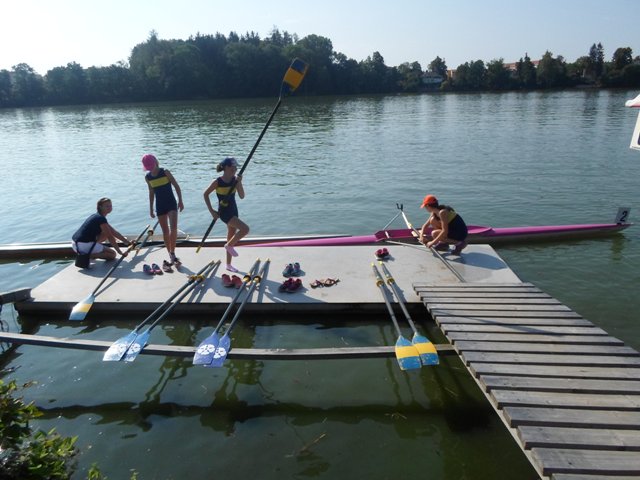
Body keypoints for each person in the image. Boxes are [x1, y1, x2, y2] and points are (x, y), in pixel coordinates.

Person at [203, 157, 250, 272]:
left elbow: (242, 196)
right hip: (224, 213)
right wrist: (212, 211)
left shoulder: (235, 180)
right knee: (245, 229)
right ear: (226, 168)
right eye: (232, 167)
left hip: (234, 211)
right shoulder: (217, 182)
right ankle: (228, 246)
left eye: (236, 168)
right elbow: (205, 194)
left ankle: (228, 265)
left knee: (231, 236)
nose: (235, 169)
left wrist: (239, 182)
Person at [142, 154, 184, 266]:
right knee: (165, 232)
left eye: (152, 166)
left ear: (156, 162)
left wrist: (180, 201)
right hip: (160, 205)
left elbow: (176, 186)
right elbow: (151, 192)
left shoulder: (165, 172)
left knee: (173, 228)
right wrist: (151, 209)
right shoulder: (148, 177)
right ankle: (170, 255)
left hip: (171, 203)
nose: (151, 169)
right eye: (148, 167)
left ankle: (173, 252)